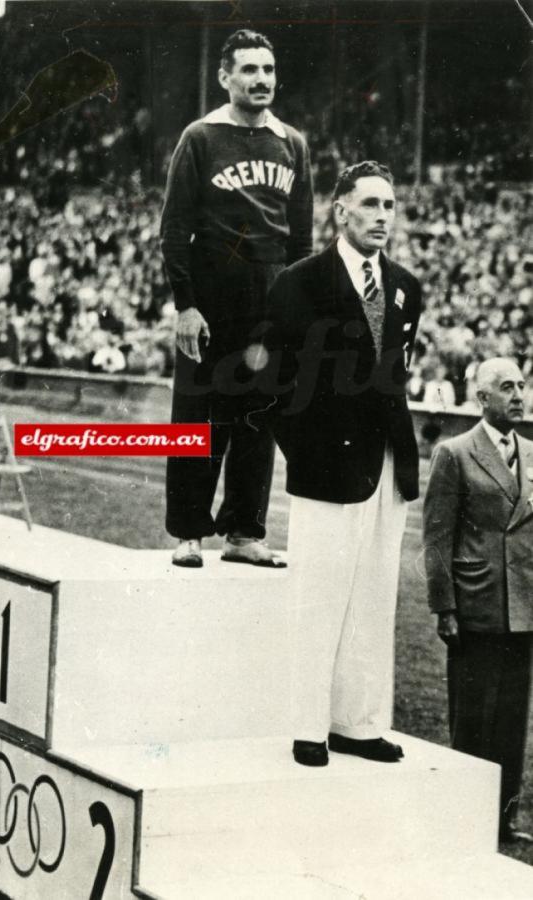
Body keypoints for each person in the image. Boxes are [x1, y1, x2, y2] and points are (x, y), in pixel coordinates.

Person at [263, 160, 422, 766]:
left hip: (388, 463)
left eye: (389, 205)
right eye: (371, 204)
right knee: (319, 595)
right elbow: (273, 383)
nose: (383, 216)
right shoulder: (300, 283)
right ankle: (309, 726)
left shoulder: (406, 285)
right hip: (327, 467)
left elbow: (395, 377)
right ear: (341, 210)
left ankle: (358, 723)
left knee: (375, 595)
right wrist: (306, 450)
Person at [160, 28, 313, 568]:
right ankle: (188, 531)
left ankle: (245, 532)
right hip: (212, 290)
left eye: (268, 69)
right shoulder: (200, 137)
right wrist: (186, 303)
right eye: (249, 70)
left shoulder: (292, 142)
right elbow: (175, 228)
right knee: (200, 415)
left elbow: (302, 239)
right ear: (225, 77)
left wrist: (297, 308)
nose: (261, 79)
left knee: (260, 416)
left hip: (271, 295)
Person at [423, 357, 533, 844]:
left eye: (522, 385)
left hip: (524, 608)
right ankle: (459, 815)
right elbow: (436, 537)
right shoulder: (455, 453)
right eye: (505, 387)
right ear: (482, 399)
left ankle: (504, 817)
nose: (517, 394)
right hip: (476, 605)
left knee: (512, 718)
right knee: (471, 717)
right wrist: (444, 607)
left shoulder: (532, 452)